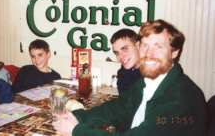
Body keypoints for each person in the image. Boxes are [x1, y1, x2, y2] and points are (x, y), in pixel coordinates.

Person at [53, 19, 207, 136]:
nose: (149, 53)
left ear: (174, 52)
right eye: (145, 45)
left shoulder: (182, 98)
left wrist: (77, 130)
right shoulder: (147, 82)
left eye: (158, 46)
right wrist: (78, 116)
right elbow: (117, 108)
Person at [110, 28, 141, 94]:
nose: (120, 57)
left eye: (125, 49)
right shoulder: (123, 73)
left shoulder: (153, 74)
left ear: (138, 46)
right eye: (117, 53)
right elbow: (125, 101)